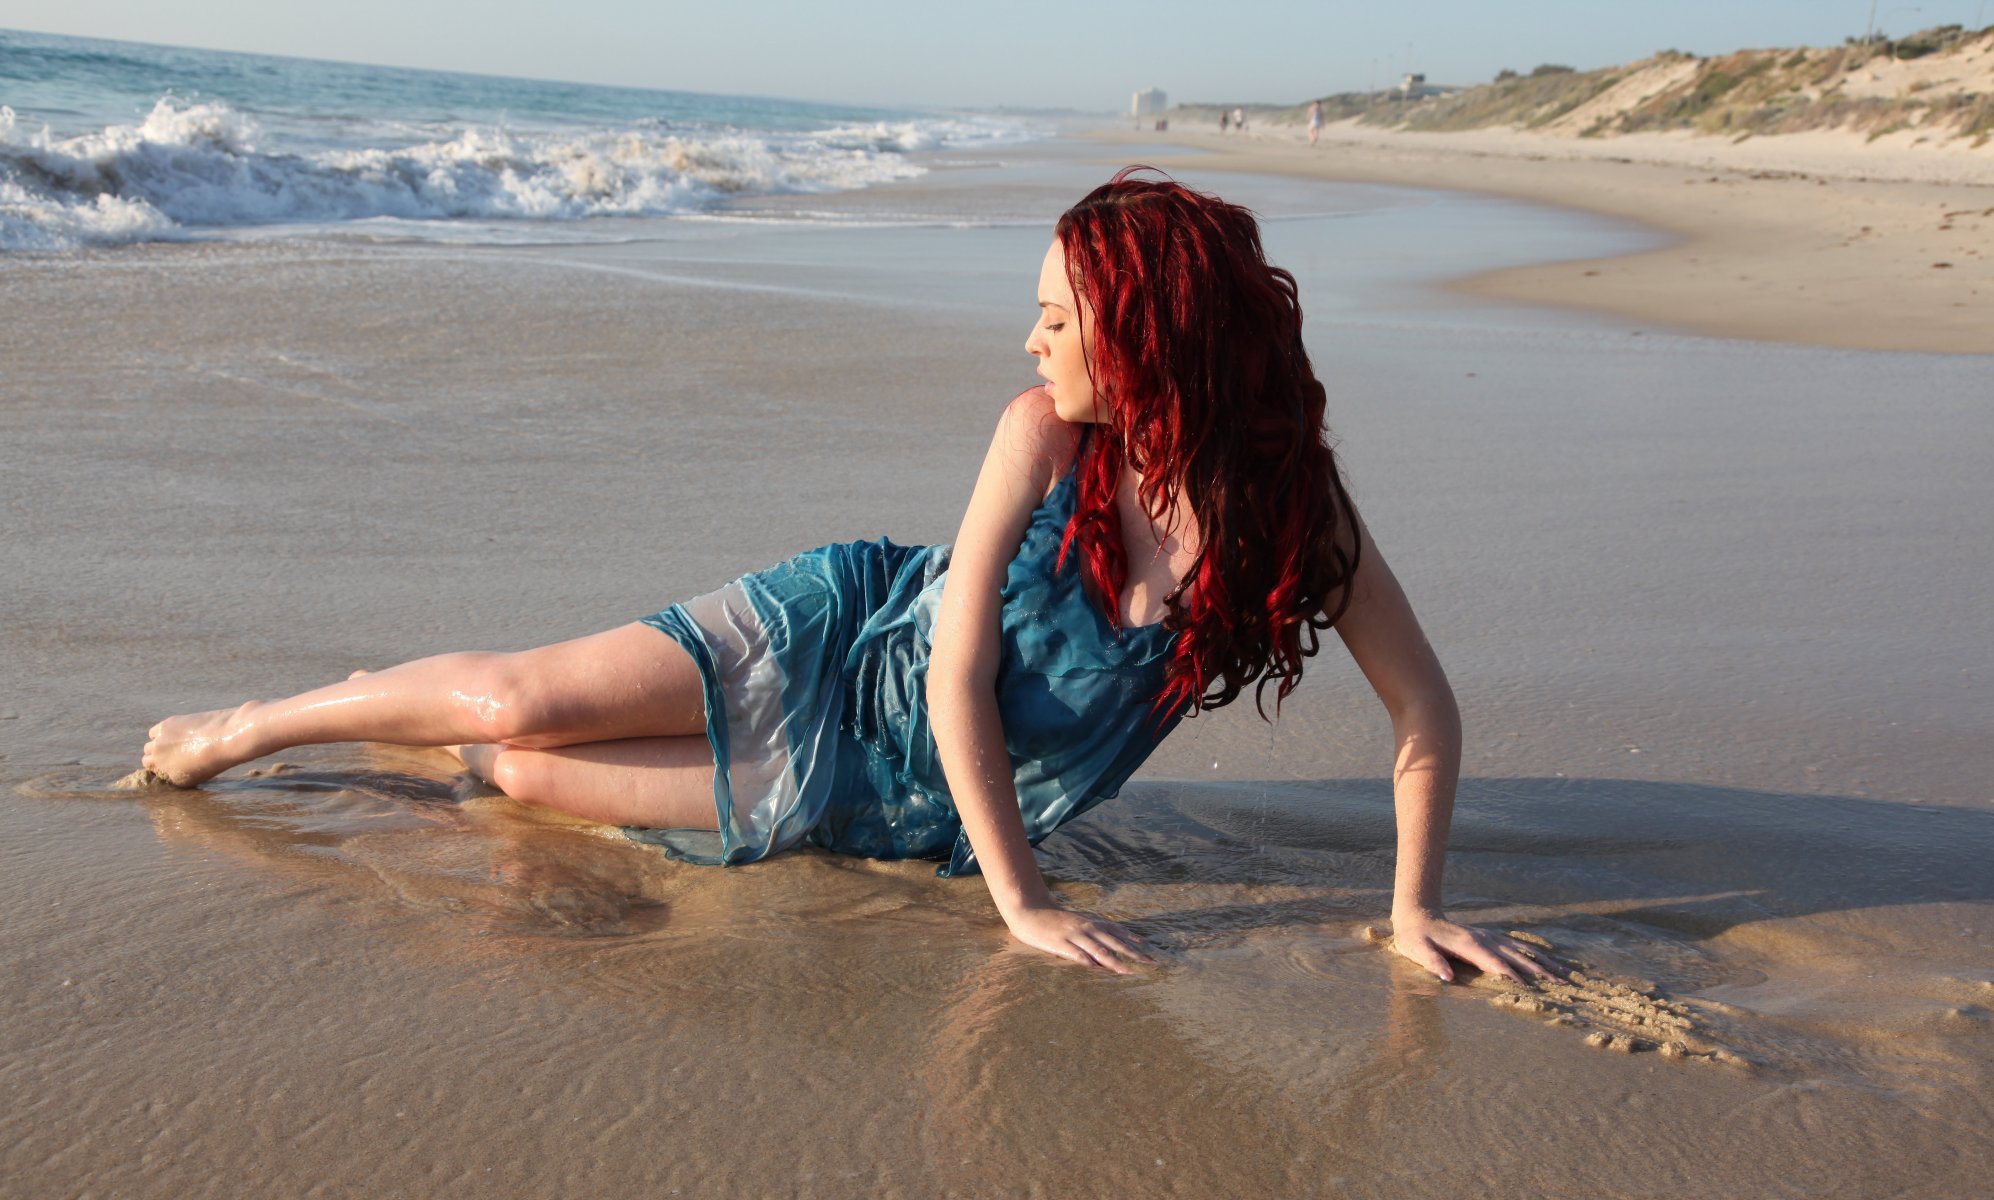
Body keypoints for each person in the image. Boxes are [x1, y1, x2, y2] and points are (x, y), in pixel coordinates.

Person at [140, 169, 1553, 987]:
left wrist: (1413, 904)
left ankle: (394, 704)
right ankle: (266, 720)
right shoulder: (1043, 439)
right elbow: (951, 669)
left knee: (517, 780)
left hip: (880, 793)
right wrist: (1021, 902)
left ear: (1148, 332)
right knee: (512, 706)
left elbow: (1422, 711)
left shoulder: (1292, 522)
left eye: (1059, 318)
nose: (1030, 341)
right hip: (836, 638)